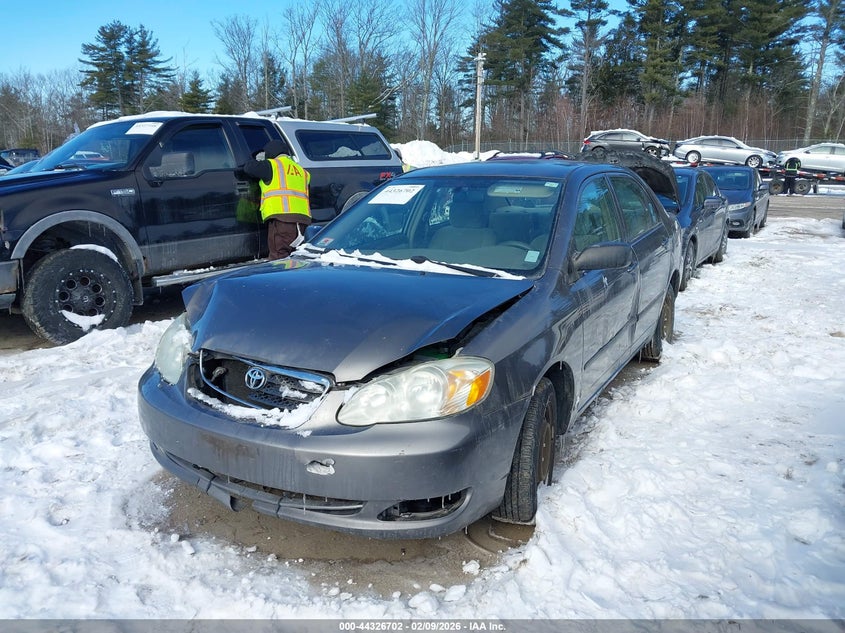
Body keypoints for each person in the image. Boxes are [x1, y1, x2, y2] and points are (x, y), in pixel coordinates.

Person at [243, 140, 311, 259]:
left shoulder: (272, 165)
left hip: (282, 221)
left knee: (279, 257)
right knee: (296, 257)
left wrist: (258, 159)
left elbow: (249, 168)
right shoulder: (302, 171)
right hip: (302, 223)